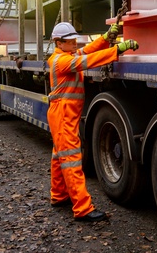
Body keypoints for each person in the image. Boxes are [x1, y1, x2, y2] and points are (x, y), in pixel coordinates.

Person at [47, 22, 138, 222]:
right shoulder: (61, 61)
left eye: (74, 41)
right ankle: (82, 208)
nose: (75, 45)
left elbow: (88, 50)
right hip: (63, 115)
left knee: (59, 155)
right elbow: (88, 61)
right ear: (59, 43)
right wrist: (117, 49)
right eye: (71, 42)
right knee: (71, 160)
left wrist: (106, 38)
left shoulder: (67, 55)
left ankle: (59, 195)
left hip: (63, 114)